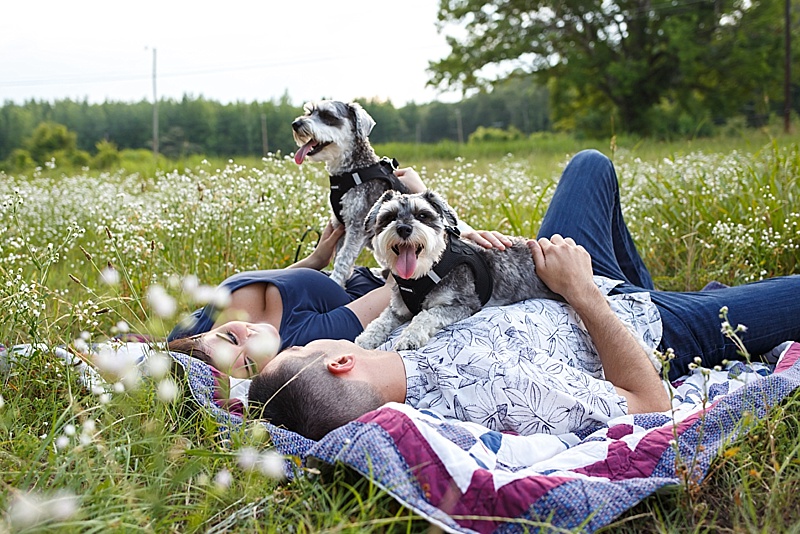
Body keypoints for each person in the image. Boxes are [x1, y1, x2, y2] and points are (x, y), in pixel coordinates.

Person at [247, 149, 800, 440]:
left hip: (544, 268)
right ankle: (691, 306)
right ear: (343, 362)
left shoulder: (403, 344)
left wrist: (475, 248)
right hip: (630, 319)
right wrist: (585, 295)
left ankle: (664, 288)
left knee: (590, 166)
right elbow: (652, 404)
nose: (291, 342)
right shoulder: (493, 395)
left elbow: (440, 266)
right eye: (296, 349)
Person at [166, 167, 511, 378]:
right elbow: (404, 278)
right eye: (248, 363)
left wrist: (316, 260)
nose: (248, 338)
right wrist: (424, 200)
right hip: (413, 268)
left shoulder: (202, 325)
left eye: (230, 338)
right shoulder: (306, 338)